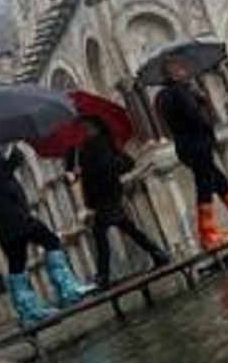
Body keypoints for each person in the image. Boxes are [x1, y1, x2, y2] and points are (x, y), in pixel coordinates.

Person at [0, 143, 95, 328]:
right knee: (50, 240)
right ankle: (67, 290)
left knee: (17, 261)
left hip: (3, 214)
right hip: (10, 213)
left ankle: (29, 311)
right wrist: (13, 155)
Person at [154, 57, 228, 251]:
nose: (185, 72)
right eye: (181, 69)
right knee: (204, 183)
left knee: (218, 180)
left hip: (184, 146)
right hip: (197, 143)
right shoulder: (181, 91)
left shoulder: (162, 96)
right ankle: (208, 234)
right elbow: (196, 116)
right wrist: (201, 100)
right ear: (173, 72)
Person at [65, 117, 171, 290]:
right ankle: (158, 254)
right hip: (104, 195)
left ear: (94, 125)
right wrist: (79, 171)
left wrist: (84, 169)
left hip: (107, 193)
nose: (84, 129)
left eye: (86, 126)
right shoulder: (89, 144)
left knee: (99, 233)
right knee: (127, 227)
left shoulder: (98, 142)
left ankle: (103, 276)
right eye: (83, 126)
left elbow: (110, 166)